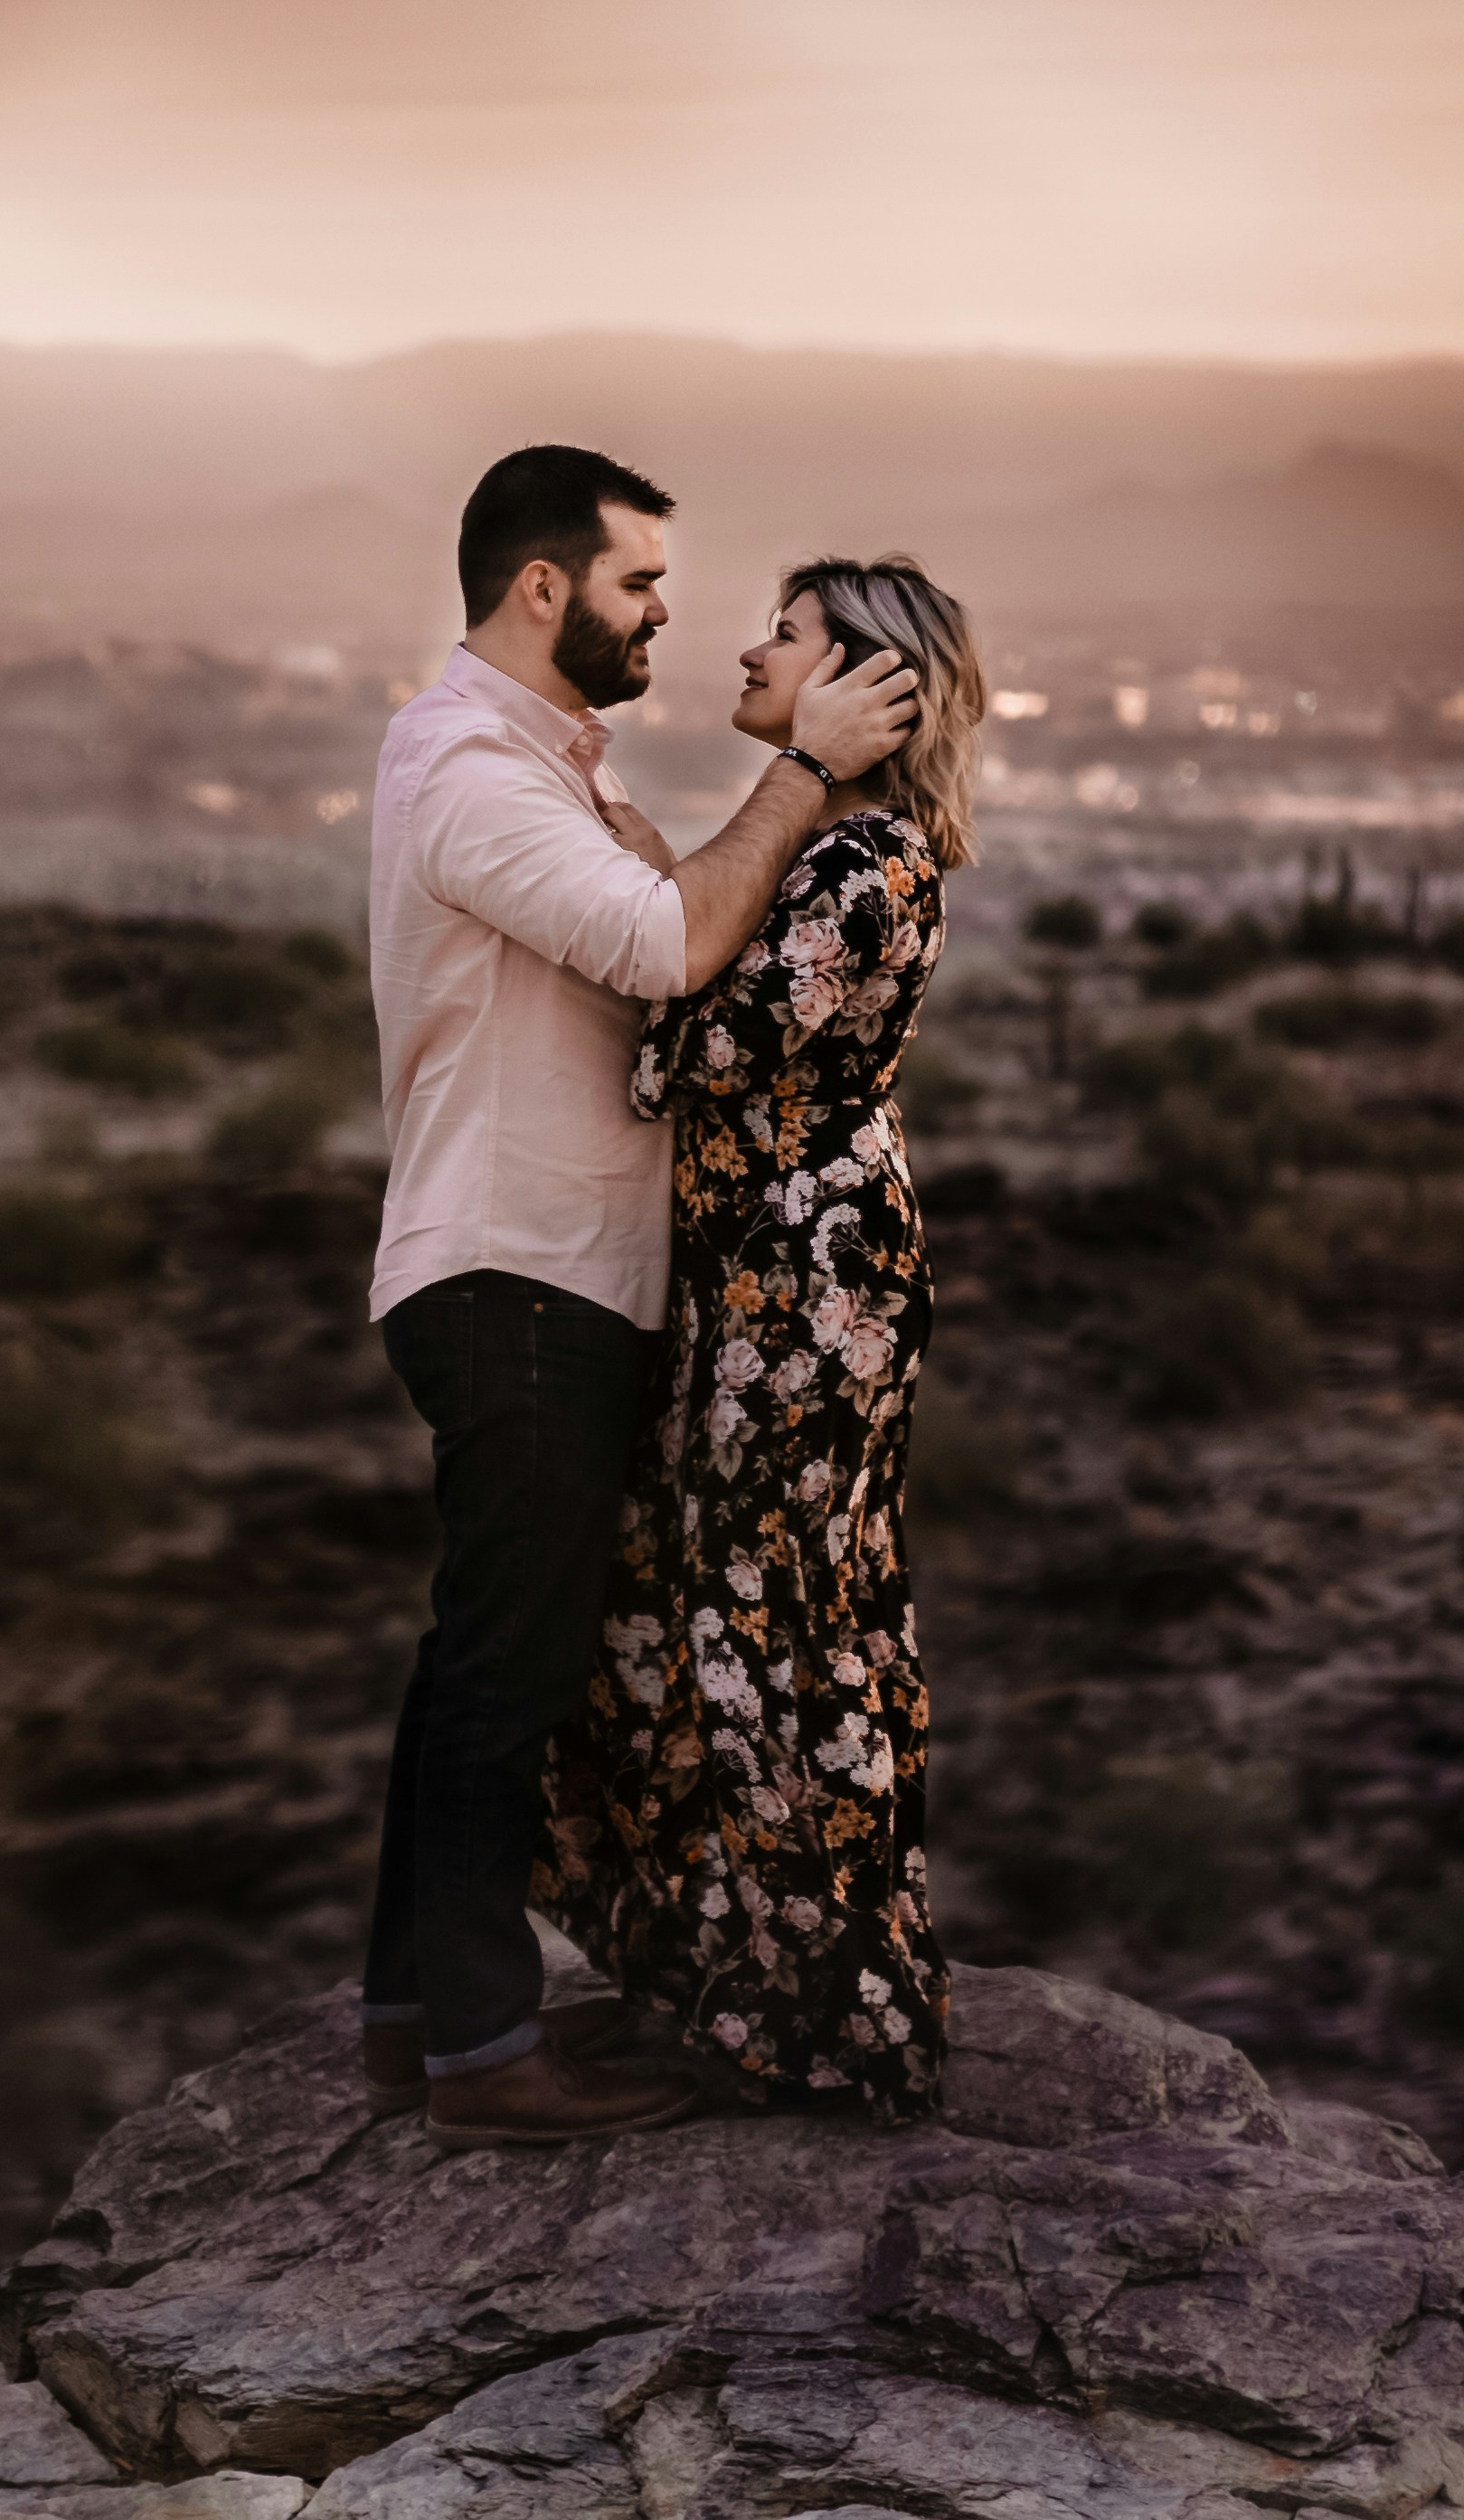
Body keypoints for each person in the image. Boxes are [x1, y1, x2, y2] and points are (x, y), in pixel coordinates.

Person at [358, 449, 921, 2150]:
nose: (670, 615)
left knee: (486, 1651)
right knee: (507, 1669)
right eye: (641, 585)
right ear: (545, 586)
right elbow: (671, 951)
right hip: (514, 1267)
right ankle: (482, 2053)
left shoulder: (550, 767)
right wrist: (808, 776)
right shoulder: (471, 772)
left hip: (557, 1273)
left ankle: (418, 2012)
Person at [537, 556, 989, 2122]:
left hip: (800, 1285)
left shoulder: (858, 865)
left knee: (771, 1616)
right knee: (748, 1604)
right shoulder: (840, 851)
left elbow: (691, 1054)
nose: (746, 646)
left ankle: (826, 2015)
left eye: (785, 636)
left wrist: (665, 918)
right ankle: (739, 1985)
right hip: (772, 1269)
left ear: (867, 687)